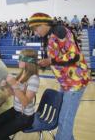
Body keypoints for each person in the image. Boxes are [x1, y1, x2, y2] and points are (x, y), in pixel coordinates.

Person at [28, 12, 90, 140]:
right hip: (67, 82)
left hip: (75, 82)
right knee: (64, 118)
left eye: (36, 28)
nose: (35, 32)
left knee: (64, 120)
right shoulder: (50, 35)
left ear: (44, 24)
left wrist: (50, 61)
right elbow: (57, 58)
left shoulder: (60, 31)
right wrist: (43, 63)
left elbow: (74, 56)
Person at [0, 49, 40, 140]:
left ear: (28, 62)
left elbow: (25, 102)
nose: (18, 60)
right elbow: (13, 94)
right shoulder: (21, 74)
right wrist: (6, 86)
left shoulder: (34, 79)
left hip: (25, 117)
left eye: (21, 58)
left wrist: (14, 84)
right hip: (16, 110)